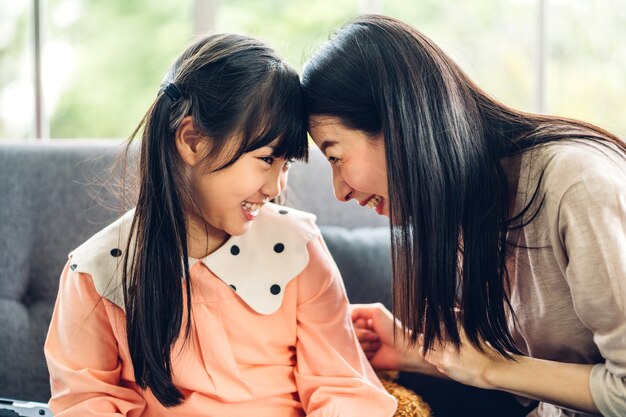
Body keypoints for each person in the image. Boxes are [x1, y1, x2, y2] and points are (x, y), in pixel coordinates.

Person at [44, 33, 398, 417]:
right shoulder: (96, 273)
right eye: (266, 159)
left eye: (287, 166)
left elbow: (343, 387)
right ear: (192, 140)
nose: (276, 186)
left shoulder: (298, 249)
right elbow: (84, 403)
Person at [302, 14, 626, 417]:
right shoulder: (464, 213)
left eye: (335, 156)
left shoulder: (575, 182)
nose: (339, 190)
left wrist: (491, 367)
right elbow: (534, 371)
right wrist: (410, 349)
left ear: (398, 125)